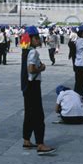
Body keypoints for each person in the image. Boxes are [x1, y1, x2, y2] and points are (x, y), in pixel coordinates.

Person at [21, 26, 56, 155]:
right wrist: (42, 68)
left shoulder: (25, 50)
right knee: (38, 115)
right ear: (31, 39)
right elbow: (31, 69)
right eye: (37, 38)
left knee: (29, 114)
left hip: (26, 86)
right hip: (33, 86)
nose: (39, 40)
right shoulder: (33, 52)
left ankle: (26, 140)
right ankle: (40, 144)